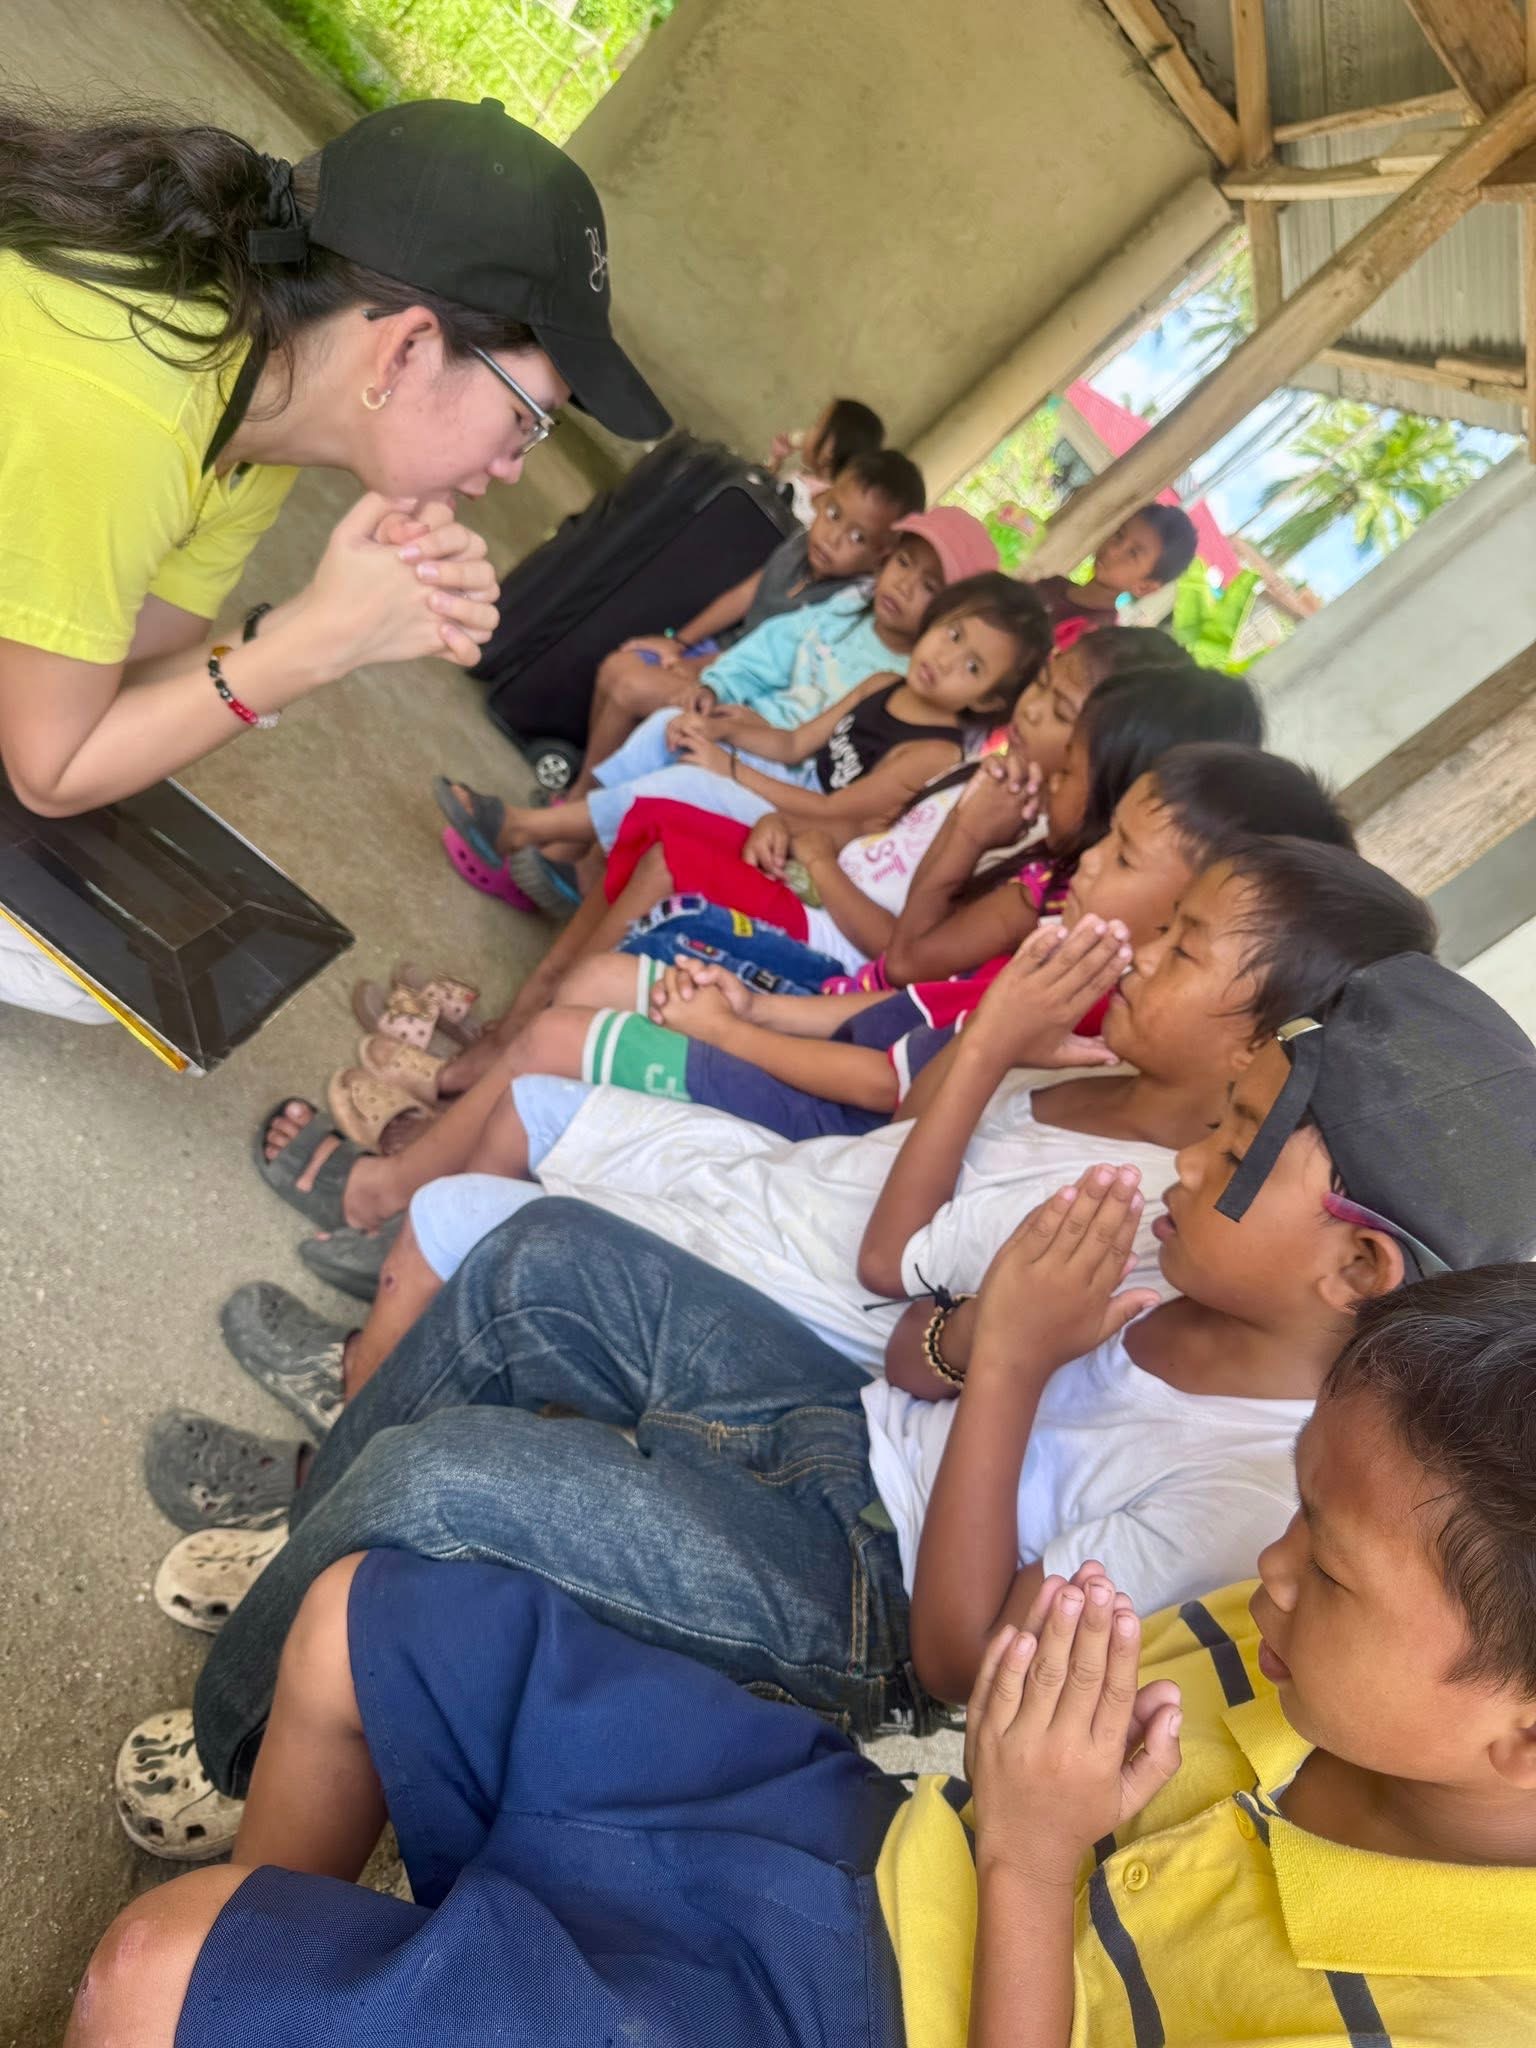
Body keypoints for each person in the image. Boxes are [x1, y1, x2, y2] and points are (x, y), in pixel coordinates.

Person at [121, 845, 1467, 1821]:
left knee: (449, 1482)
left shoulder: (1252, 1480)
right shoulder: (1178, 1265)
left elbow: (958, 1661)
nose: (1186, 1166)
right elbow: (901, 1348)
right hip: (845, 1426)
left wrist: (1003, 1362)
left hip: (867, 1607)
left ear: (1355, 1261)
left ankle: (237, 1745)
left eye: (1228, 1148)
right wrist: (977, 1341)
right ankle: (313, 1542)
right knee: (543, 1260)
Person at [77, 1256, 1536, 2042]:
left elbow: (964, 1686)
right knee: (356, 1617)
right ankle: (305, 1978)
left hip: (880, 1989)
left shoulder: (1454, 2020)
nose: (1266, 1571)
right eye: (1294, 1515)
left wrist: (1034, 1856)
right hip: (868, 1830)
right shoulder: (1282, 1650)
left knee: (157, 1968)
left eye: (1328, 1573)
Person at [0, 96, 667, 1019]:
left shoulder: (257, 387)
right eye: (527, 419)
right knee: (75, 968)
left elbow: (132, 657)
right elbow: (52, 768)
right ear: (403, 350)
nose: (514, 467)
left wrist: (309, 625)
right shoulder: (138, 408)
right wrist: (315, 643)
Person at [336, 575, 1054, 1146]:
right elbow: (801, 750)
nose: (943, 655)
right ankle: (514, 1018)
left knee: (680, 829)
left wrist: (750, 790)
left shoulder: (947, 763)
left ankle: (514, 1007)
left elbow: (844, 833)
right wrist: (744, 736)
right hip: (806, 851)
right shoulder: (897, 703)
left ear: (988, 696)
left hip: (823, 903)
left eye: (971, 665)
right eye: (953, 631)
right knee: (665, 815)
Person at [563, 743, 1352, 1143]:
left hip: (837, 1093)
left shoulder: (1077, 1003)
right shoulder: (1061, 925)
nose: (1087, 853)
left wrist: (740, 1026)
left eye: (1122, 853)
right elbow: (906, 995)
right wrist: (761, 1014)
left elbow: (892, 1050)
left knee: (596, 1003)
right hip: (830, 1020)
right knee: (614, 976)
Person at [491, 444, 924, 822]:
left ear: (881, 557)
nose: (832, 537)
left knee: (628, 683)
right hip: (722, 657)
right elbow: (745, 594)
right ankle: (586, 793)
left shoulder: (843, 603)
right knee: (619, 665)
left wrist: (695, 666)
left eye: (857, 537)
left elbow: (771, 665)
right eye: (832, 514)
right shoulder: (801, 546)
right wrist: (678, 643)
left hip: (746, 692)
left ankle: (581, 813)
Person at [1030, 503, 1199, 641]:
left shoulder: (1094, 637)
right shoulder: (1055, 584)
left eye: (1133, 553)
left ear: (1145, 587)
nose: (1113, 550)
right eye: (1119, 534)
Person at [766, 393, 885, 523]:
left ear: (831, 448)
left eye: (817, 425)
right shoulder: (805, 476)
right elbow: (764, 493)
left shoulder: (819, 502)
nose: (808, 431)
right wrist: (776, 459)